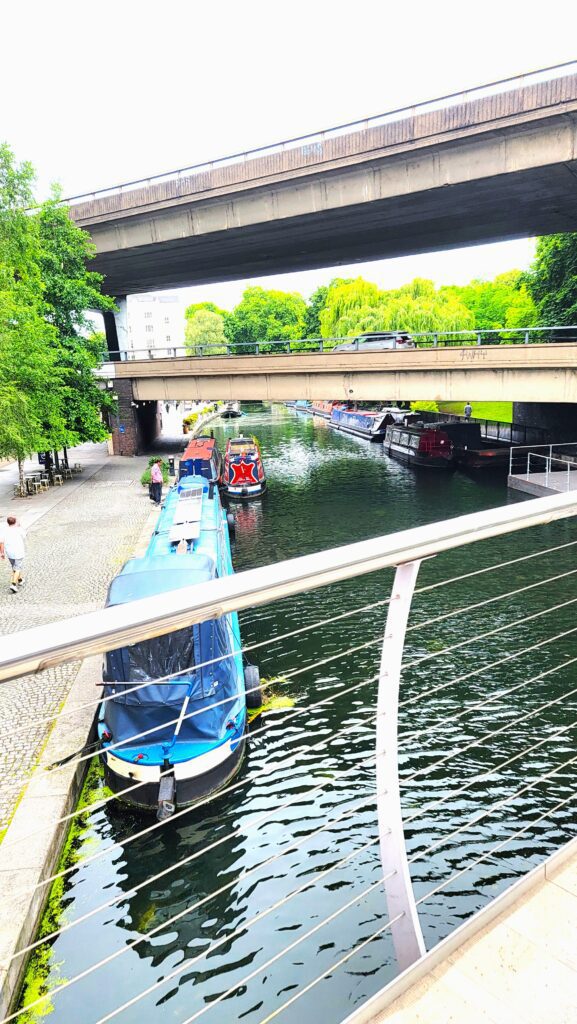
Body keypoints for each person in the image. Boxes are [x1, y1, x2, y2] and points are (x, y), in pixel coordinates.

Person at [0, 516, 27, 593]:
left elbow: (1, 542)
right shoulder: (19, 529)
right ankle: (13, 584)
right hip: (18, 551)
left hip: (9, 552)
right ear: (15, 522)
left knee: (14, 566)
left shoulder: (4, 530)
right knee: (17, 567)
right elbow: (25, 536)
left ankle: (20, 580)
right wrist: (20, 526)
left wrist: (2, 552)